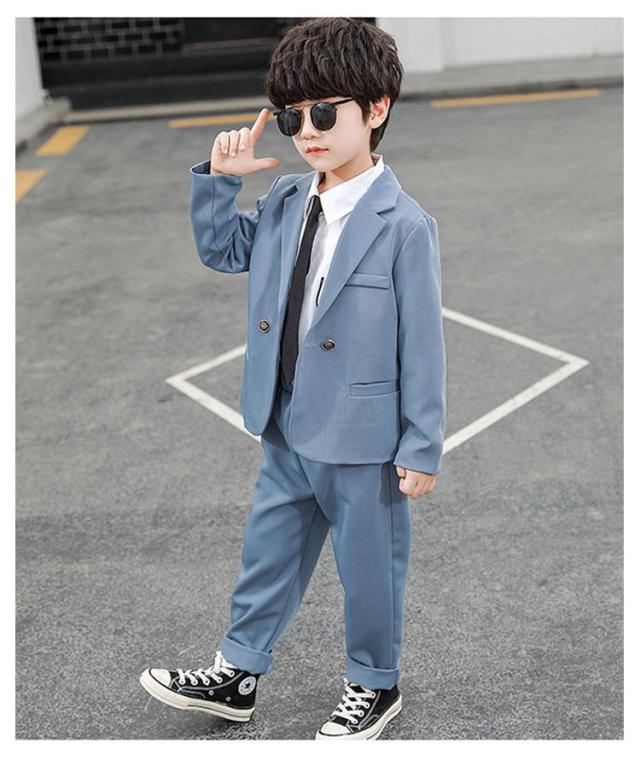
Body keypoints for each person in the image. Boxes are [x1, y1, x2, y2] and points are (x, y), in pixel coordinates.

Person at [139, 17, 446, 740]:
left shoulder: (404, 225)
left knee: (369, 567)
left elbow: (423, 344)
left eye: (324, 113)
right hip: (284, 419)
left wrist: (422, 443)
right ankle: (237, 673)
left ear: (377, 108)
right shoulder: (283, 200)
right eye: (291, 117)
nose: (307, 131)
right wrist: (220, 182)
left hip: (362, 436)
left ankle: (375, 682)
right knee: (268, 551)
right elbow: (223, 252)